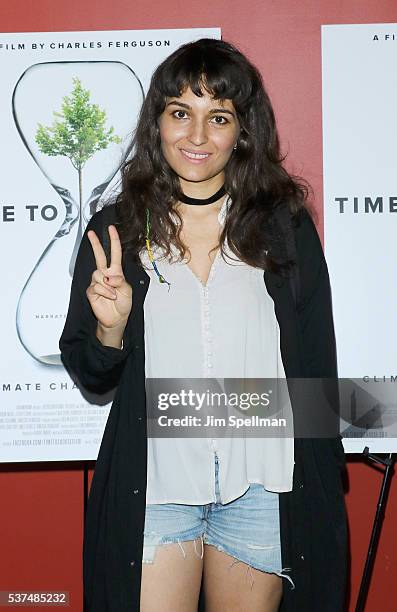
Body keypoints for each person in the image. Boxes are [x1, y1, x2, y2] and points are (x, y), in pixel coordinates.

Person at [59, 38, 348, 612]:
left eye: (218, 117)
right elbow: (90, 369)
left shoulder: (283, 227)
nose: (196, 137)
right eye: (179, 113)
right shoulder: (116, 230)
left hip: (260, 483)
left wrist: (321, 482)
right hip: (159, 485)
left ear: (242, 131)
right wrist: (111, 330)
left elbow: (315, 360)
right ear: (157, 123)